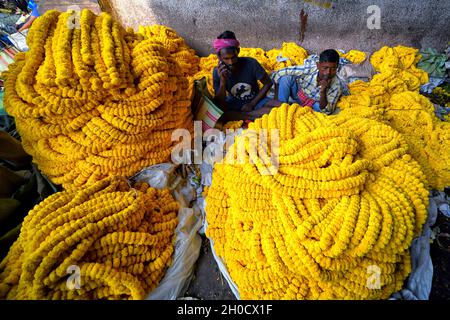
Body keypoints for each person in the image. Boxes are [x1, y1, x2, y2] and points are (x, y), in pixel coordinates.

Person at [212, 31, 275, 121]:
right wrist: (222, 82)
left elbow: (268, 83)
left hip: (255, 101)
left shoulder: (251, 63)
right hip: (234, 104)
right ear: (219, 57)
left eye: (233, 57)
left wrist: (251, 104)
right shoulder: (217, 72)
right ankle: (251, 116)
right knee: (218, 114)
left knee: (279, 106)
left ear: (238, 51)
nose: (231, 62)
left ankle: (246, 115)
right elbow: (219, 102)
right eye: (226, 58)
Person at [269, 49, 349, 115]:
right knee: (286, 78)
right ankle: (281, 107)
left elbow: (326, 110)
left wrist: (323, 91)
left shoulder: (337, 86)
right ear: (318, 65)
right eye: (325, 68)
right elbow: (280, 72)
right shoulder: (310, 69)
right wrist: (276, 97)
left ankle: (300, 110)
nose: (328, 72)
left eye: (333, 69)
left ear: (337, 68)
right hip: (299, 95)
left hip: (314, 105)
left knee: (324, 113)